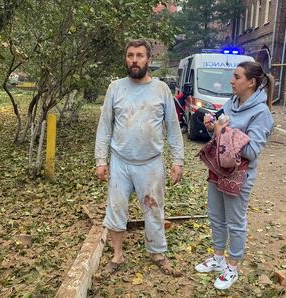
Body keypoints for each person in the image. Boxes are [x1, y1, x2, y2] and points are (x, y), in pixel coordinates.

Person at [95, 39, 184, 277]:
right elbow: (104, 126)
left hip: (151, 163)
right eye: (131, 55)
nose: (134, 60)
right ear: (126, 59)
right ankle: (117, 256)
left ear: (149, 60)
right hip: (121, 162)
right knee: (116, 209)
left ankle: (157, 253)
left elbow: (173, 128)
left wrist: (178, 160)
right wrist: (101, 161)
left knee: (154, 210)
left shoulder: (161, 89)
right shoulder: (115, 88)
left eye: (140, 56)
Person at [195, 61, 274, 290]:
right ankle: (218, 259)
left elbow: (251, 151)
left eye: (237, 77)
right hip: (218, 170)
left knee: (235, 223)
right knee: (216, 216)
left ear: (251, 82)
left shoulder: (261, 113)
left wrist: (224, 132)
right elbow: (221, 135)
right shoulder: (231, 103)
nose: (232, 80)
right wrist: (213, 126)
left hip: (239, 176)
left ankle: (233, 266)